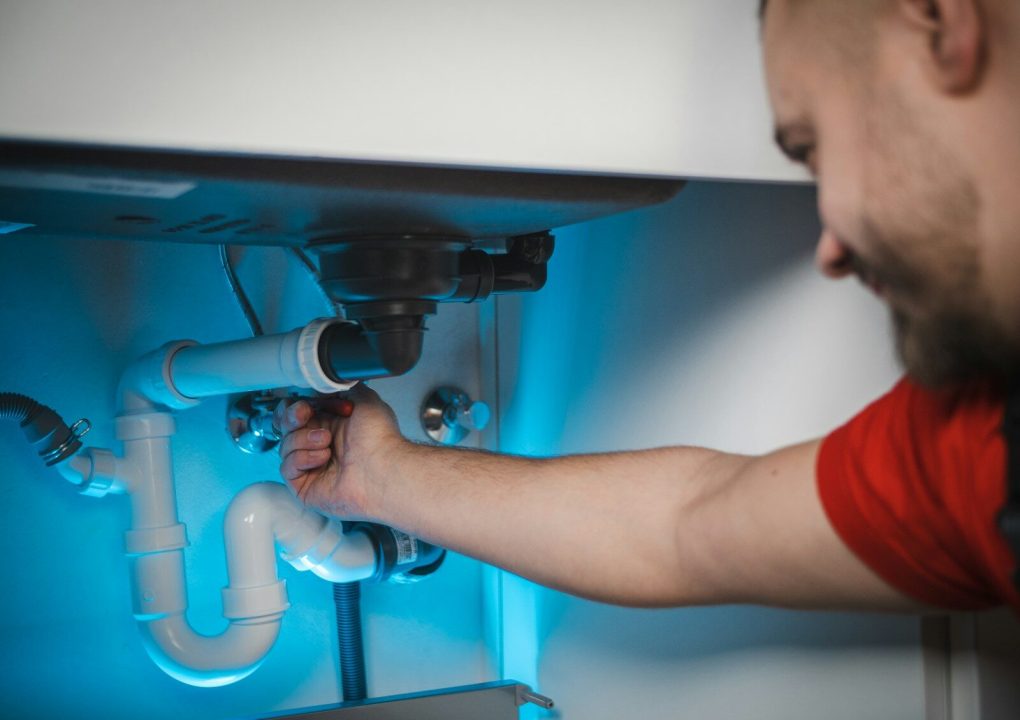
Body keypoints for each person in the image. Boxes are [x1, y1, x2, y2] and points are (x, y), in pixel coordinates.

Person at [275, 0, 1020, 613]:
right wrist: (384, 476)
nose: (832, 248)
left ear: (937, 22)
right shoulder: (977, 451)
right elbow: (686, 527)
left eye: (818, 146)